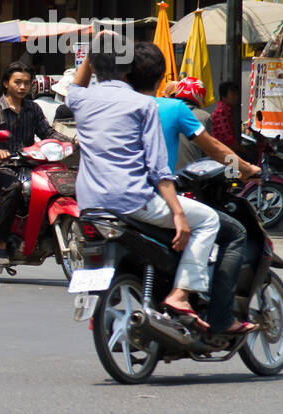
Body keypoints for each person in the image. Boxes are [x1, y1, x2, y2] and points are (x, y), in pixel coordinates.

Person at [69, 40, 251, 334]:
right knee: (212, 223)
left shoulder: (83, 100)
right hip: (150, 193)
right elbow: (217, 150)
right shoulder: (176, 110)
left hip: (91, 201)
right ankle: (186, 297)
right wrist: (245, 170)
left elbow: (76, 87)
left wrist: (95, 46)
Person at [0, 61, 56, 265]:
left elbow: (48, 133)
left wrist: (72, 141)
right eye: (17, 82)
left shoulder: (33, 109)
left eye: (26, 83)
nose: (22, 87)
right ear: (6, 83)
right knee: (13, 188)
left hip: (27, 167)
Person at [167, 77, 213, 169]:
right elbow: (209, 151)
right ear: (200, 95)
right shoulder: (204, 117)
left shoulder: (165, 112)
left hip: (163, 175)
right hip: (191, 177)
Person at [211, 81, 243, 153]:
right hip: (220, 154)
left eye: (237, 94)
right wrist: (244, 150)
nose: (236, 97)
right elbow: (228, 139)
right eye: (233, 94)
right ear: (223, 96)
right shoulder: (221, 112)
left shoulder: (227, 110)